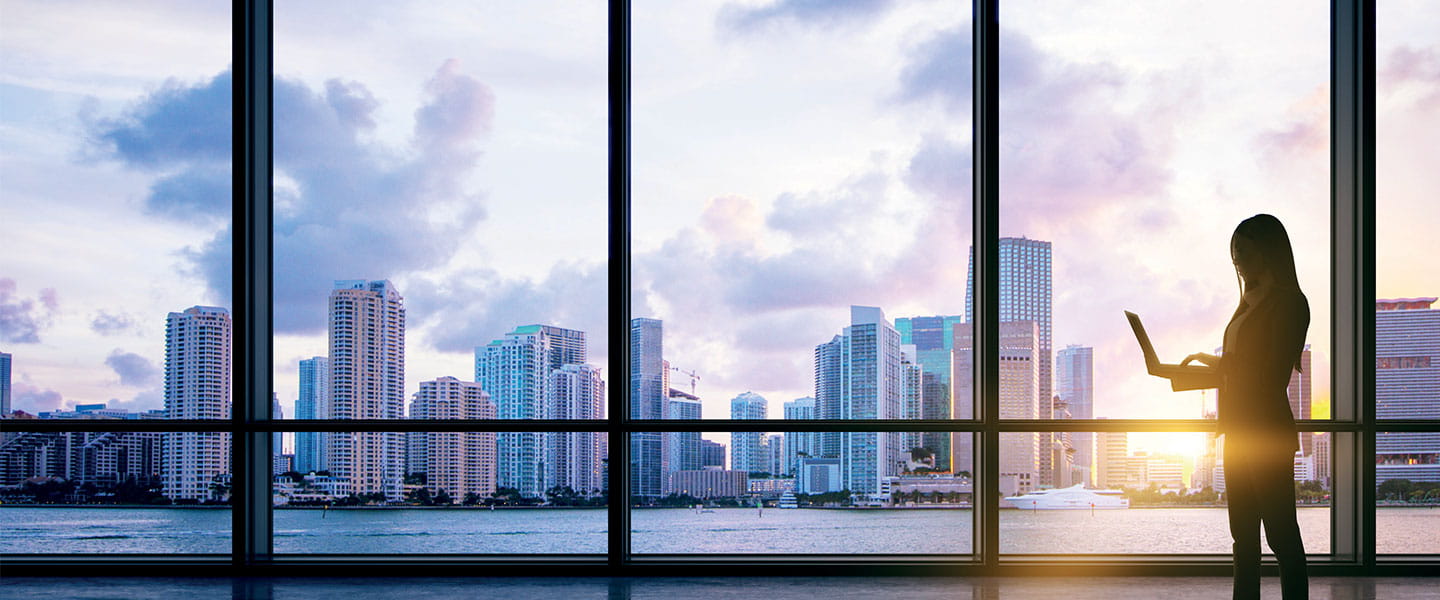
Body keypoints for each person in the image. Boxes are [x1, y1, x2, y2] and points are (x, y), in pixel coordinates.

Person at [1168, 214, 1310, 600]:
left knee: (1281, 535)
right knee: (1243, 537)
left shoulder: (1291, 303)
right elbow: (1239, 367)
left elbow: (1271, 374)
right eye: (1234, 255)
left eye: (1243, 252)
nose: (1238, 262)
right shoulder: (1246, 303)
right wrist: (1202, 365)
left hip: (1266, 434)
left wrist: (1218, 365)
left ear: (1268, 251)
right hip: (1238, 433)